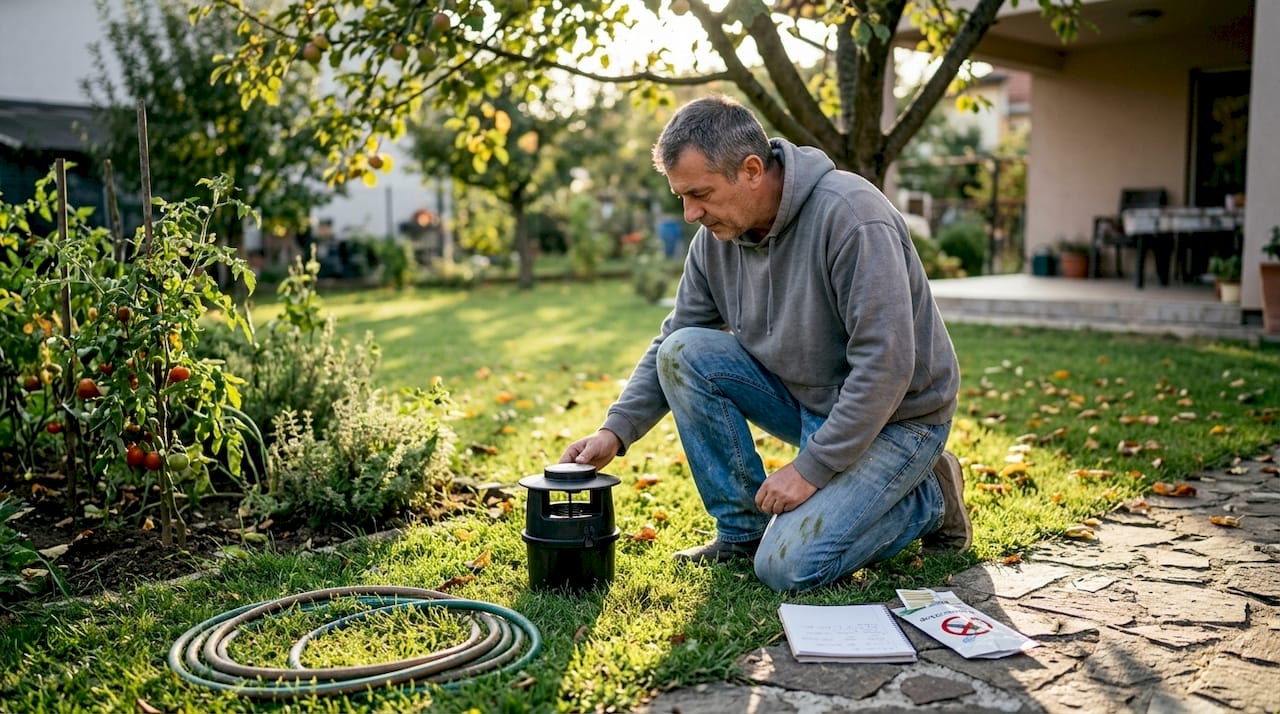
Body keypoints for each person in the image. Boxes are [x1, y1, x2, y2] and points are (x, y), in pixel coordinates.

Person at [560, 95, 969, 593]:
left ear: (752, 169)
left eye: (700, 193)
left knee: (788, 567)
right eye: (681, 197)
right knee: (684, 352)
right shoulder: (716, 241)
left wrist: (809, 470)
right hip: (809, 401)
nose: (690, 214)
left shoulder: (851, 216)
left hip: (900, 420)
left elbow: (886, 366)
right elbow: (674, 337)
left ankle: (928, 500)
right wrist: (615, 431)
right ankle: (742, 532)